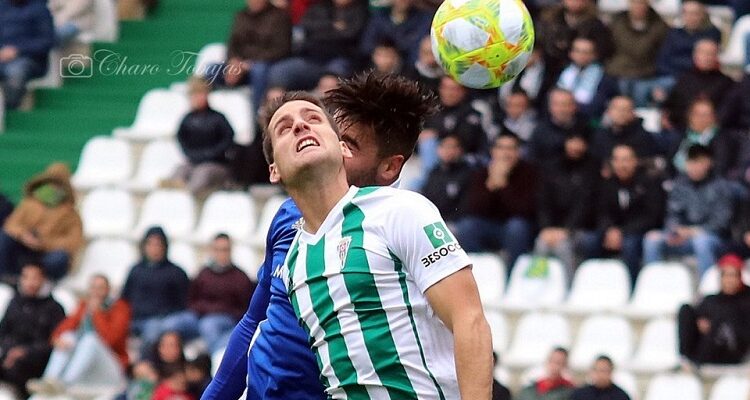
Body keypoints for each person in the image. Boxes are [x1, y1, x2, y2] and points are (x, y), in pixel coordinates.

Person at [204, 73, 484, 400]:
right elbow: (257, 322)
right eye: (284, 127)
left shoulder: (399, 211)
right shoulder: (297, 248)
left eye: (314, 119)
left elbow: (469, 318)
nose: (300, 127)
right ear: (273, 169)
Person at [27, 274, 130, 396]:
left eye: (100, 288)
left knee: (90, 339)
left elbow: (111, 340)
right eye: (93, 288)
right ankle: (50, 379)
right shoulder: (84, 306)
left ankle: (65, 383)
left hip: (110, 366)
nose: (96, 292)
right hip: (85, 367)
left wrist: (97, 313)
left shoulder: (119, 307)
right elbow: (64, 328)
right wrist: (57, 338)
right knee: (68, 337)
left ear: (108, 290)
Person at [643, 145, 733, 276]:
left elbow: (721, 223)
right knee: (652, 240)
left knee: (702, 242)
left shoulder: (721, 187)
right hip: (682, 237)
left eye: (699, 162)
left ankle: (706, 290)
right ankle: (653, 285)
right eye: (691, 162)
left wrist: (693, 231)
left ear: (709, 163)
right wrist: (674, 231)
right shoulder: (679, 185)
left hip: (712, 238)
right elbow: (672, 214)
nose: (694, 167)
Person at [453, 131, 538, 270]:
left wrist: (504, 186)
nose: (505, 153)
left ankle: (512, 274)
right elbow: (473, 208)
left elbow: (526, 210)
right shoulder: (481, 173)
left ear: (518, 152)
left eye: (510, 148)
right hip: (488, 225)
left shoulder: (529, 173)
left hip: (515, 227)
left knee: (517, 227)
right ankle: (477, 271)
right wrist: (490, 186)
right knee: (466, 226)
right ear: (493, 151)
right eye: (501, 148)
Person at [162, 233, 255, 353]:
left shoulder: (240, 278)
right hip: (198, 316)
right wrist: (202, 309)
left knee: (209, 326)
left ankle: (214, 364)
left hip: (225, 319)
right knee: (171, 323)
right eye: (217, 250)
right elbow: (191, 300)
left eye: (225, 250)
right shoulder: (203, 274)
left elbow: (244, 309)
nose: (221, 254)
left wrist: (217, 310)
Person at [0, 162, 83, 281]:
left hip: (46, 255)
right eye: (51, 183)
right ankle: (6, 276)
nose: (54, 188)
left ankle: (41, 280)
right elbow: (11, 225)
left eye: (59, 185)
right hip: (23, 250)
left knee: (60, 258)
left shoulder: (70, 214)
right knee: (4, 238)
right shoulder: (29, 204)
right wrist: (24, 235)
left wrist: (44, 243)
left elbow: (73, 241)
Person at [534, 132, 600, 275]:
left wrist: (567, 230)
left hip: (581, 228)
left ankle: (568, 286)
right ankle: (538, 282)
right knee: (541, 243)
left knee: (562, 246)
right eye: (572, 141)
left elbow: (585, 205)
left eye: (579, 141)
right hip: (552, 227)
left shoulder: (592, 170)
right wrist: (546, 228)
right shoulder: (552, 168)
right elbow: (544, 202)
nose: (575, 146)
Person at [598, 144, 664, 283]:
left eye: (626, 160)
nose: (622, 165)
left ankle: (632, 285)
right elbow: (601, 212)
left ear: (635, 161)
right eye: (617, 160)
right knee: (589, 241)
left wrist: (622, 232)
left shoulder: (649, 182)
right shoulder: (606, 184)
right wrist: (609, 230)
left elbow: (651, 216)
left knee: (629, 244)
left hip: (639, 231)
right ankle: (595, 285)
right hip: (613, 232)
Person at [267, 0, 368, 90]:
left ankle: (320, 111)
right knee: (278, 72)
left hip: (342, 60)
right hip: (311, 59)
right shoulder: (319, 7)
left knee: (329, 83)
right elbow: (307, 26)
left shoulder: (361, 12)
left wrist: (323, 31)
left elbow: (351, 35)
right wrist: (334, 28)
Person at [212, 0, 291, 113]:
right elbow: (232, 44)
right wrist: (233, 62)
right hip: (239, 65)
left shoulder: (279, 17)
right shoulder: (240, 16)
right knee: (211, 70)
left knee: (259, 71)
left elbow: (281, 49)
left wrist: (248, 64)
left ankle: (258, 119)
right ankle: (212, 116)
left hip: (266, 64)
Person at [0, 263, 64, 399]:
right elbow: (3, 332)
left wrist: (25, 352)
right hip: (9, 356)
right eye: (26, 277)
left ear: (43, 280)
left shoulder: (54, 308)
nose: (30, 282)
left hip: (35, 364)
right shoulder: (14, 303)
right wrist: (10, 351)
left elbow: (54, 342)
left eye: (34, 278)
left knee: (17, 370)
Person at [121, 226, 190, 350]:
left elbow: (183, 304)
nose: (154, 248)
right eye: (150, 244)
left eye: (158, 244)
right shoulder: (135, 271)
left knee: (157, 328)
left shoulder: (176, 272)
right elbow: (125, 298)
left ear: (165, 246)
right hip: (135, 319)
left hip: (162, 320)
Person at [678, 254, 750, 366]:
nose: (729, 280)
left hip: (732, 349)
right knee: (685, 309)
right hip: (706, 346)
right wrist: (699, 322)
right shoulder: (711, 299)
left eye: (733, 276)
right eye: (726, 276)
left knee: (724, 315)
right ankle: (685, 359)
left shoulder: (746, 299)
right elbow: (699, 315)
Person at [169, 77, 236, 196]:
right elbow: (182, 141)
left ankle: (186, 194)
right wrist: (194, 155)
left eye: (201, 94)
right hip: (194, 161)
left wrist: (210, 154)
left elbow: (227, 140)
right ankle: (174, 193)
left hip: (216, 163)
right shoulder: (187, 120)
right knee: (180, 170)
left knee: (202, 173)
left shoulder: (218, 118)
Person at [417, 76, 489, 183]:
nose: (449, 93)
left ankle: (431, 181)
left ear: (463, 91)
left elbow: (467, 140)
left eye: (454, 89)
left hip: (469, 159)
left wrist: (437, 134)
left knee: (430, 143)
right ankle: (430, 181)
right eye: (445, 88)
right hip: (438, 159)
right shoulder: (434, 111)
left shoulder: (471, 113)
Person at [653, 0, 722, 101]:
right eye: (687, 13)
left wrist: (680, 66)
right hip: (673, 77)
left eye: (695, 14)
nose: (691, 17)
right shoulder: (674, 34)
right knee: (656, 89)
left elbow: (705, 62)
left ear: (703, 15)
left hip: (700, 79)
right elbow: (663, 61)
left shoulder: (711, 34)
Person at [607, 0, 669, 107]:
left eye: (641, 3)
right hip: (619, 70)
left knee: (641, 90)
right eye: (635, 3)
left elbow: (662, 54)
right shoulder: (617, 22)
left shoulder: (659, 26)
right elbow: (608, 48)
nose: (638, 6)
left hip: (646, 72)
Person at [662, 39, 734, 131]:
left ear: (717, 57)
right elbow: (670, 106)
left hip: (715, 133)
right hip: (682, 131)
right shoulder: (684, 79)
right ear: (695, 56)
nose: (706, 57)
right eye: (703, 53)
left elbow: (728, 112)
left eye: (710, 53)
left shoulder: (727, 83)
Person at [536, 0, 614, 77]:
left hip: (587, 73)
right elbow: (542, 44)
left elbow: (604, 52)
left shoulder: (597, 25)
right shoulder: (550, 19)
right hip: (549, 69)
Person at [0, 0, 55, 110]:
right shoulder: (2, 6)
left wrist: (17, 50)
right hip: (2, 56)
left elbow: (48, 41)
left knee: (16, 73)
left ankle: (8, 111)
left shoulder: (40, 9)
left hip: (29, 59)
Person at [669, 98, 737, 177]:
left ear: (713, 117)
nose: (701, 119)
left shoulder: (720, 140)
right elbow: (670, 160)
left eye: (705, 115)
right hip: (675, 180)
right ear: (689, 116)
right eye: (697, 114)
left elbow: (720, 168)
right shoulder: (682, 135)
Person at [556, 36, 618, 121]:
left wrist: (569, 107)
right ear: (571, 53)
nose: (581, 55)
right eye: (577, 51)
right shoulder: (563, 72)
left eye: (586, 52)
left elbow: (597, 107)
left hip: (588, 122)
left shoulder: (604, 78)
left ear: (594, 55)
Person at [528, 88, 591, 166]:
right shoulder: (539, 130)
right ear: (550, 107)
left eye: (565, 104)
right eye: (556, 104)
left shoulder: (585, 128)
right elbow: (531, 159)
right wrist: (565, 147)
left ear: (574, 106)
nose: (561, 109)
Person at [420, 135, 474, 225]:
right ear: (438, 150)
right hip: (433, 220)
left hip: (456, 222)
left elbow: (466, 206)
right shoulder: (433, 172)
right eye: (445, 146)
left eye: (453, 147)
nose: (449, 151)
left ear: (460, 150)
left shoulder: (468, 173)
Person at [359, 0, 432, 66]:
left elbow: (419, 50)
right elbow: (366, 46)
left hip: (410, 70)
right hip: (378, 68)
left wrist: (396, 56)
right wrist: (382, 53)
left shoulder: (424, 19)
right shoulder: (379, 17)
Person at [591, 96, 657, 161]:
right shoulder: (600, 135)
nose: (621, 113)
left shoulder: (643, 137)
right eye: (617, 108)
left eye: (626, 109)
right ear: (608, 111)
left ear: (633, 113)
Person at [126, 331, 186, 400]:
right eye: (163, 345)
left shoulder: (186, 371)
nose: (167, 349)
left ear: (180, 348)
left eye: (172, 345)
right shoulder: (150, 367)